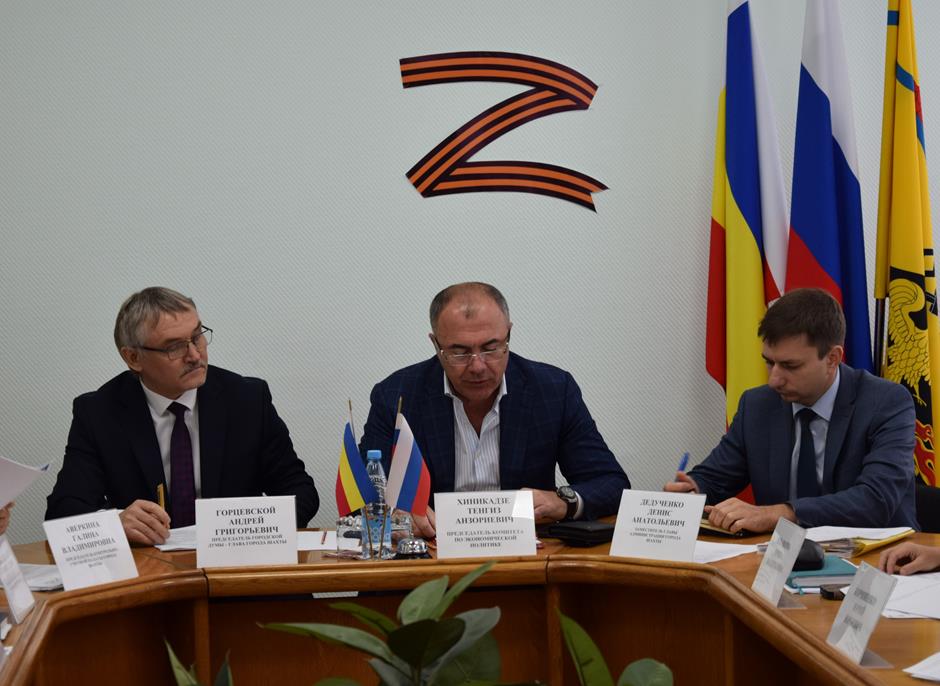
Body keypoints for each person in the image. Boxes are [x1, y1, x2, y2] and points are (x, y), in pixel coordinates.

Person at [46, 287, 318, 544]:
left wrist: (250, 526)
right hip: (149, 569)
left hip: (233, 564)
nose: (195, 355)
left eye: (197, 336)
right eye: (174, 347)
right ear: (133, 358)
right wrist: (115, 523)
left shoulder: (246, 399)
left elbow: (300, 491)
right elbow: (63, 512)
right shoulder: (99, 413)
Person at [359, 282, 630, 538]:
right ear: (436, 345)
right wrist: (395, 516)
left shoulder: (553, 391)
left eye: (491, 348)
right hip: (431, 555)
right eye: (459, 352)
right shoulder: (397, 396)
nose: (477, 366)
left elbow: (611, 483)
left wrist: (563, 502)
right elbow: (361, 495)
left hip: (526, 556)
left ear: (508, 335)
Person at [665, 288, 917, 533]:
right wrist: (693, 490)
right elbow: (715, 478)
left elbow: (876, 499)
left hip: (878, 555)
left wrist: (781, 513)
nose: (774, 380)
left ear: (832, 359)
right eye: (769, 362)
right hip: (779, 555)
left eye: (790, 366)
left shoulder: (886, 403)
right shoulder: (758, 405)